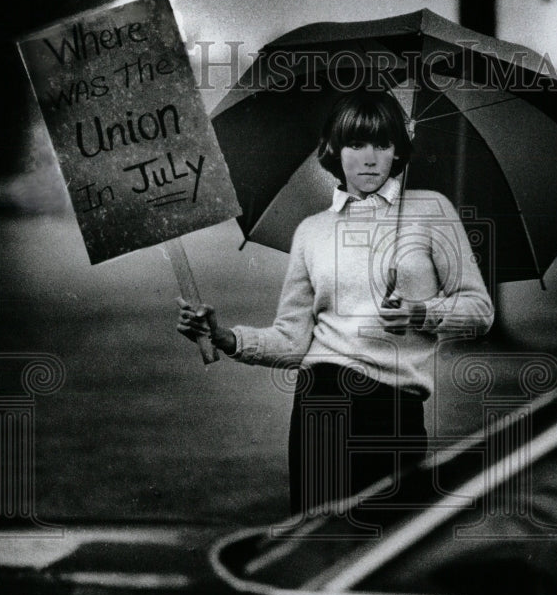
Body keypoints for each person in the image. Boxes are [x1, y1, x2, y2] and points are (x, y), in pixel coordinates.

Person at [177, 89, 494, 515]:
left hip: (394, 409)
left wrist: (421, 312)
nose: (369, 158)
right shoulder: (313, 230)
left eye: (382, 145)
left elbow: (479, 312)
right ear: (333, 150)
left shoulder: (431, 210)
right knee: (315, 544)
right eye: (356, 144)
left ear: (398, 152)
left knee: (382, 548)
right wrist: (225, 336)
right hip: (319, 404)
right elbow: (292, 340)